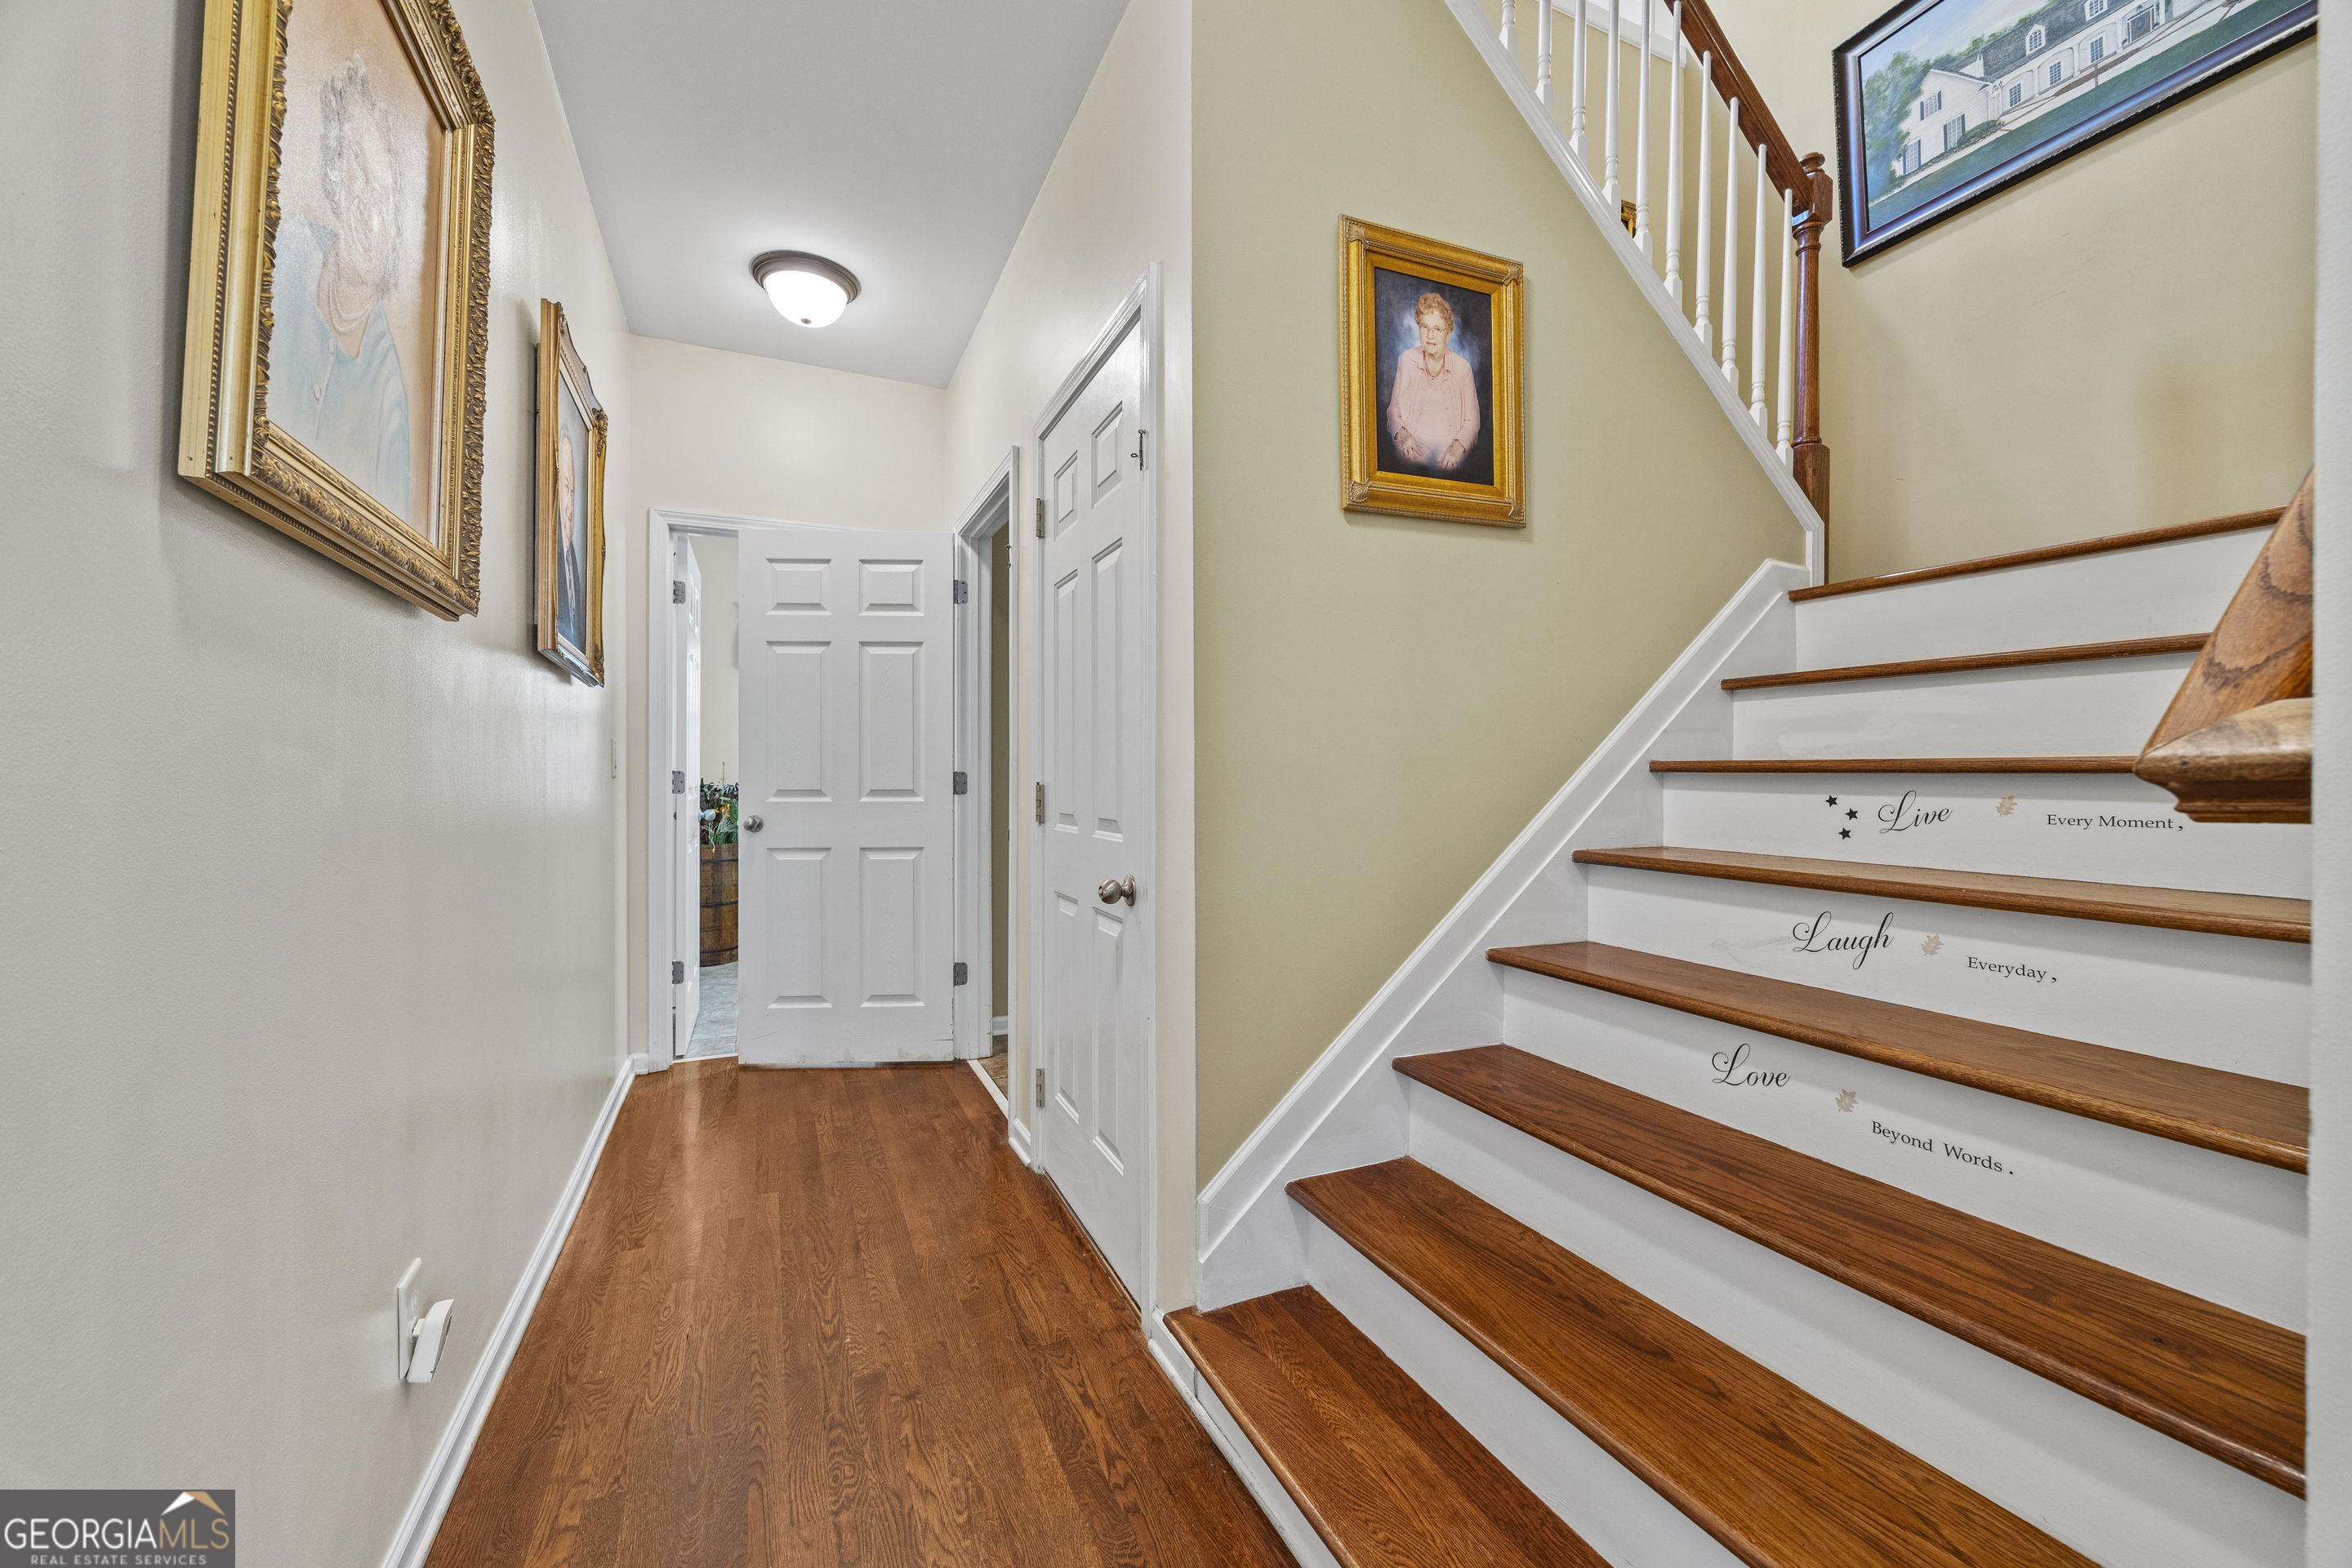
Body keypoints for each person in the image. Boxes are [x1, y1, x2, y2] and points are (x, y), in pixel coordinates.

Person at [270, 54, 413, 523]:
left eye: (382, 185)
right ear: (335, 176)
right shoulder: (288, 251)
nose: (369, 201)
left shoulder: (389, 386)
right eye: (356, 168)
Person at [1386, 291, 1480, 473]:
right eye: (1425, 327)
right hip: (1409, 459)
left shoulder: (1463, 368)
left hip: (1450, 462)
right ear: (1419, 330)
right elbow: (1393, 409)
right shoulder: (1406, 360)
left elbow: (1472, 422)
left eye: (1437, 329)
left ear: (1448, 334)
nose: (1430, 335)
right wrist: (1404, 436)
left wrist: (1457, 449)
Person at [555, 429, 582, 651]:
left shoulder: (573, 563)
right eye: (566, 487)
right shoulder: (550, 553)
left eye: (573, 492)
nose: (570, 506)